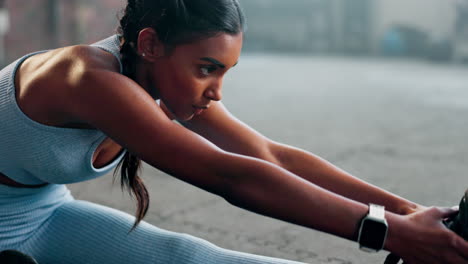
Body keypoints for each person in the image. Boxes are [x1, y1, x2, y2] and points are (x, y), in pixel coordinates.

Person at [0, 0, 467, 263]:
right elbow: (229, 176)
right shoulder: (86, 78)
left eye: (224, 72)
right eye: (207, 69)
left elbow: (269, 156)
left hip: (42, 212)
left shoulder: (153, 71)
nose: (216, 92)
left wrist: (408, 213)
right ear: (150, 44)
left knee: (190, 257)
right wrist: (389, 234)